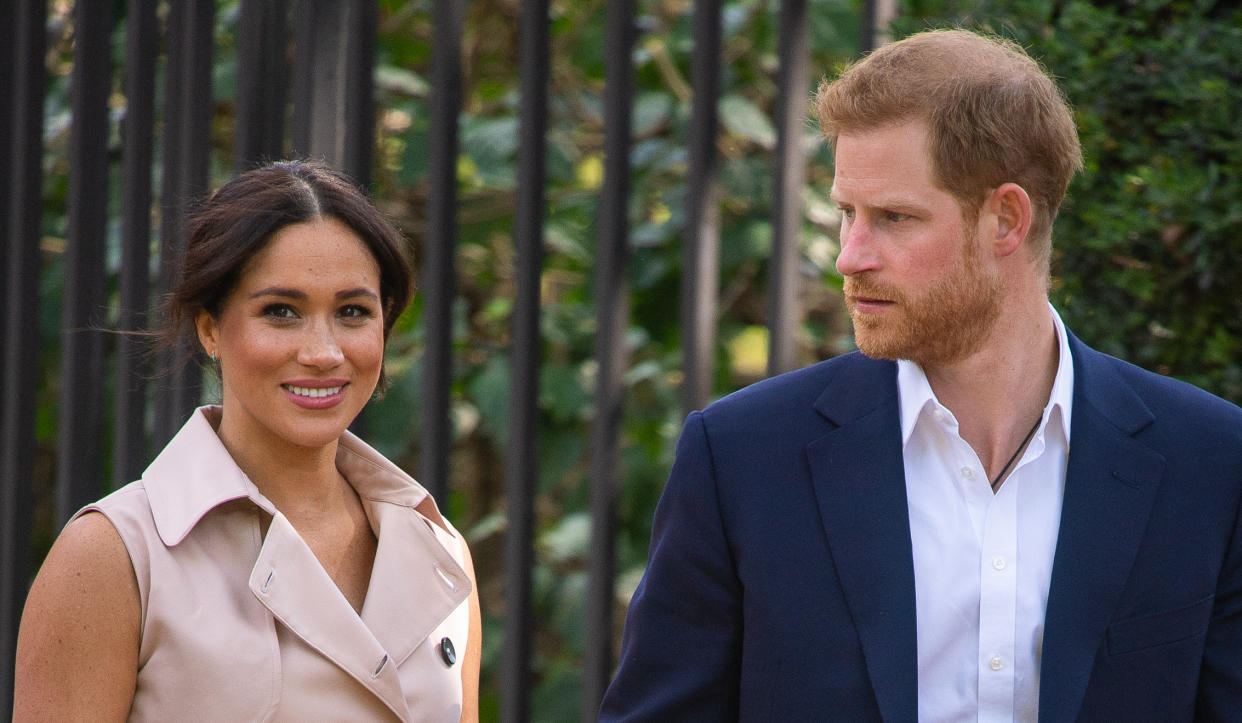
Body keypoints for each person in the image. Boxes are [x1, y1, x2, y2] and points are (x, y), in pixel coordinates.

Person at [601, 29, 1242, 721]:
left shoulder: (1208, 461)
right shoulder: (742, 459)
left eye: (893, 218)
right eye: (848, 213)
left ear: (1005, 219)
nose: (850, 256)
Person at [14, 161, 482, 721]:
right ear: (210, 328)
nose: (323, 352)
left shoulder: (438, 550)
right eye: (281, 312)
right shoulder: (116, 554)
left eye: (353, 312)